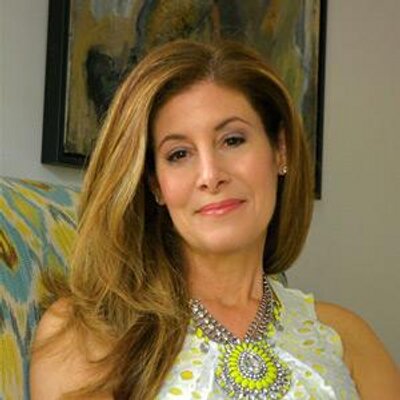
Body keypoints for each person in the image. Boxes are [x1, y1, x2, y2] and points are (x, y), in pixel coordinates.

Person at [30, 40, 399, 400]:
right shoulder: (86, 331)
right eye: (179, 154)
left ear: (280, 149)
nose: (210, 175)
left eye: (232, 140)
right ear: (155, 184)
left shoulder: (345, 335)